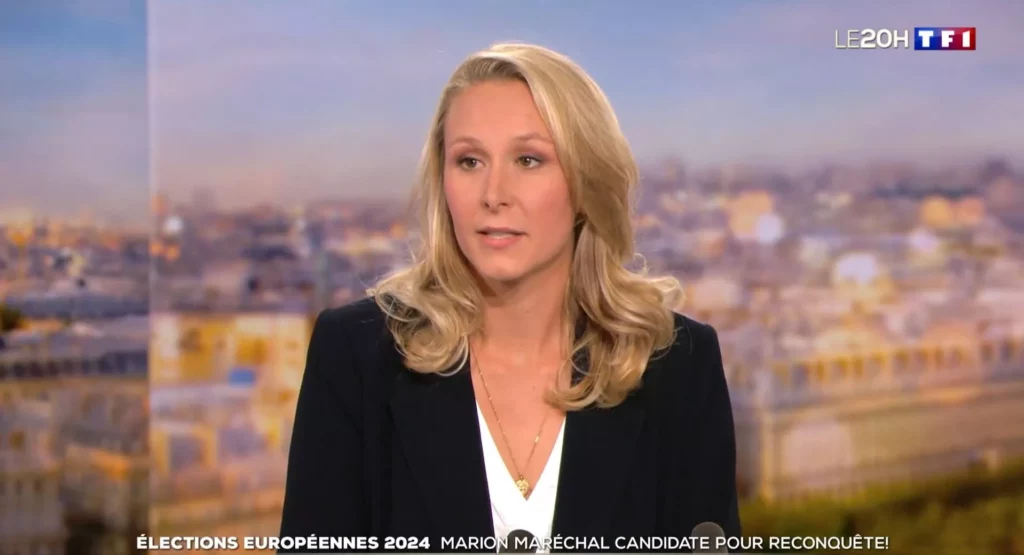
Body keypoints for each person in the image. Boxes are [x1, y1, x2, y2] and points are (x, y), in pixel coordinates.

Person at [279, 42, 740, 553]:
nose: (493, 193)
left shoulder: (677, 366)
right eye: (469, 161)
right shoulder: (355, 358)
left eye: (528, 159)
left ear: (585, 182)